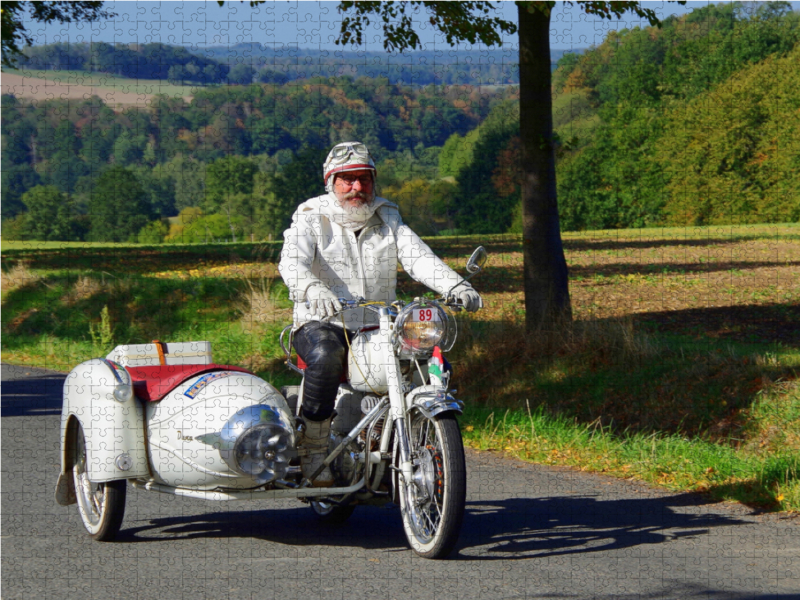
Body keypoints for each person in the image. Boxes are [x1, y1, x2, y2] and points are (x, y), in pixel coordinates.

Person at [278, 141, 482, 485]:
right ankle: (314, 448)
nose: (357, 187)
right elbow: (290, 262)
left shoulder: (387, 217)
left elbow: (418, 257)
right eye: (347, 179)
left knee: (419, 355)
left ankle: (409, 439)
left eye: (364, 179)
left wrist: (456, 286)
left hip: (378, 323)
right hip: (322, 321)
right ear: (331, 182)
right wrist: (313, 289)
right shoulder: (311, 216)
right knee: (327, 355)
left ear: (373, 182)